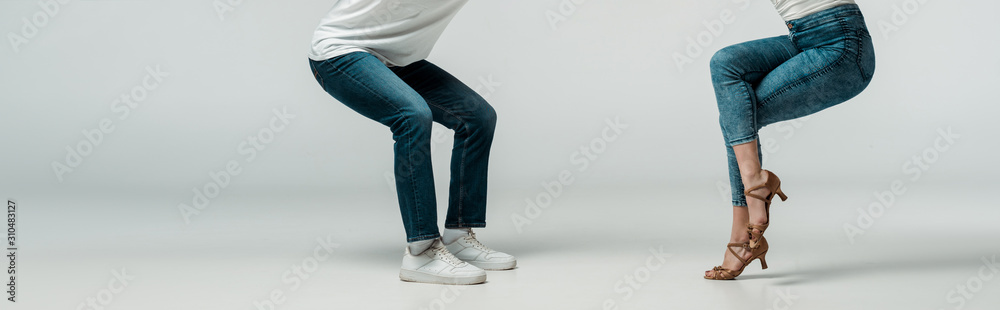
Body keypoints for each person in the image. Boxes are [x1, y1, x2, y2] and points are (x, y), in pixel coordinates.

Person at [307, 0, 516, 285]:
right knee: (412, 116)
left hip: (396, 60)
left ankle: (458, 236)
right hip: (341, 52)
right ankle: (422, 251)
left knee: (477, 118)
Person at [704, 0, 876, 280]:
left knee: (736, 116)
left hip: (842, 46)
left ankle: (743, 230)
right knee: (726, 66)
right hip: (805, 37)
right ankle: (753, 192)